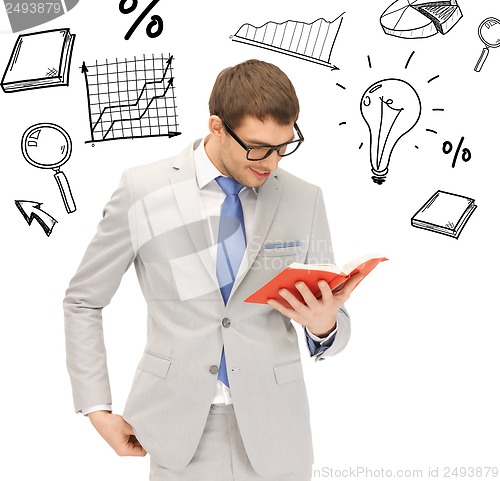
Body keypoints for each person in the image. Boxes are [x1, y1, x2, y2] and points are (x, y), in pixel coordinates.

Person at [64, 59, 363, 481]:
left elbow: (334, 325)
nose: (272, 163)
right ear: (217, 127)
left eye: (283, 146)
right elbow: (83, 300)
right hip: (173, 429)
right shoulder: (143, 189)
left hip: (278, 433)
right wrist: (95, 407)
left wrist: (324, 326)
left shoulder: (304, 198)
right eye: (258, 147)